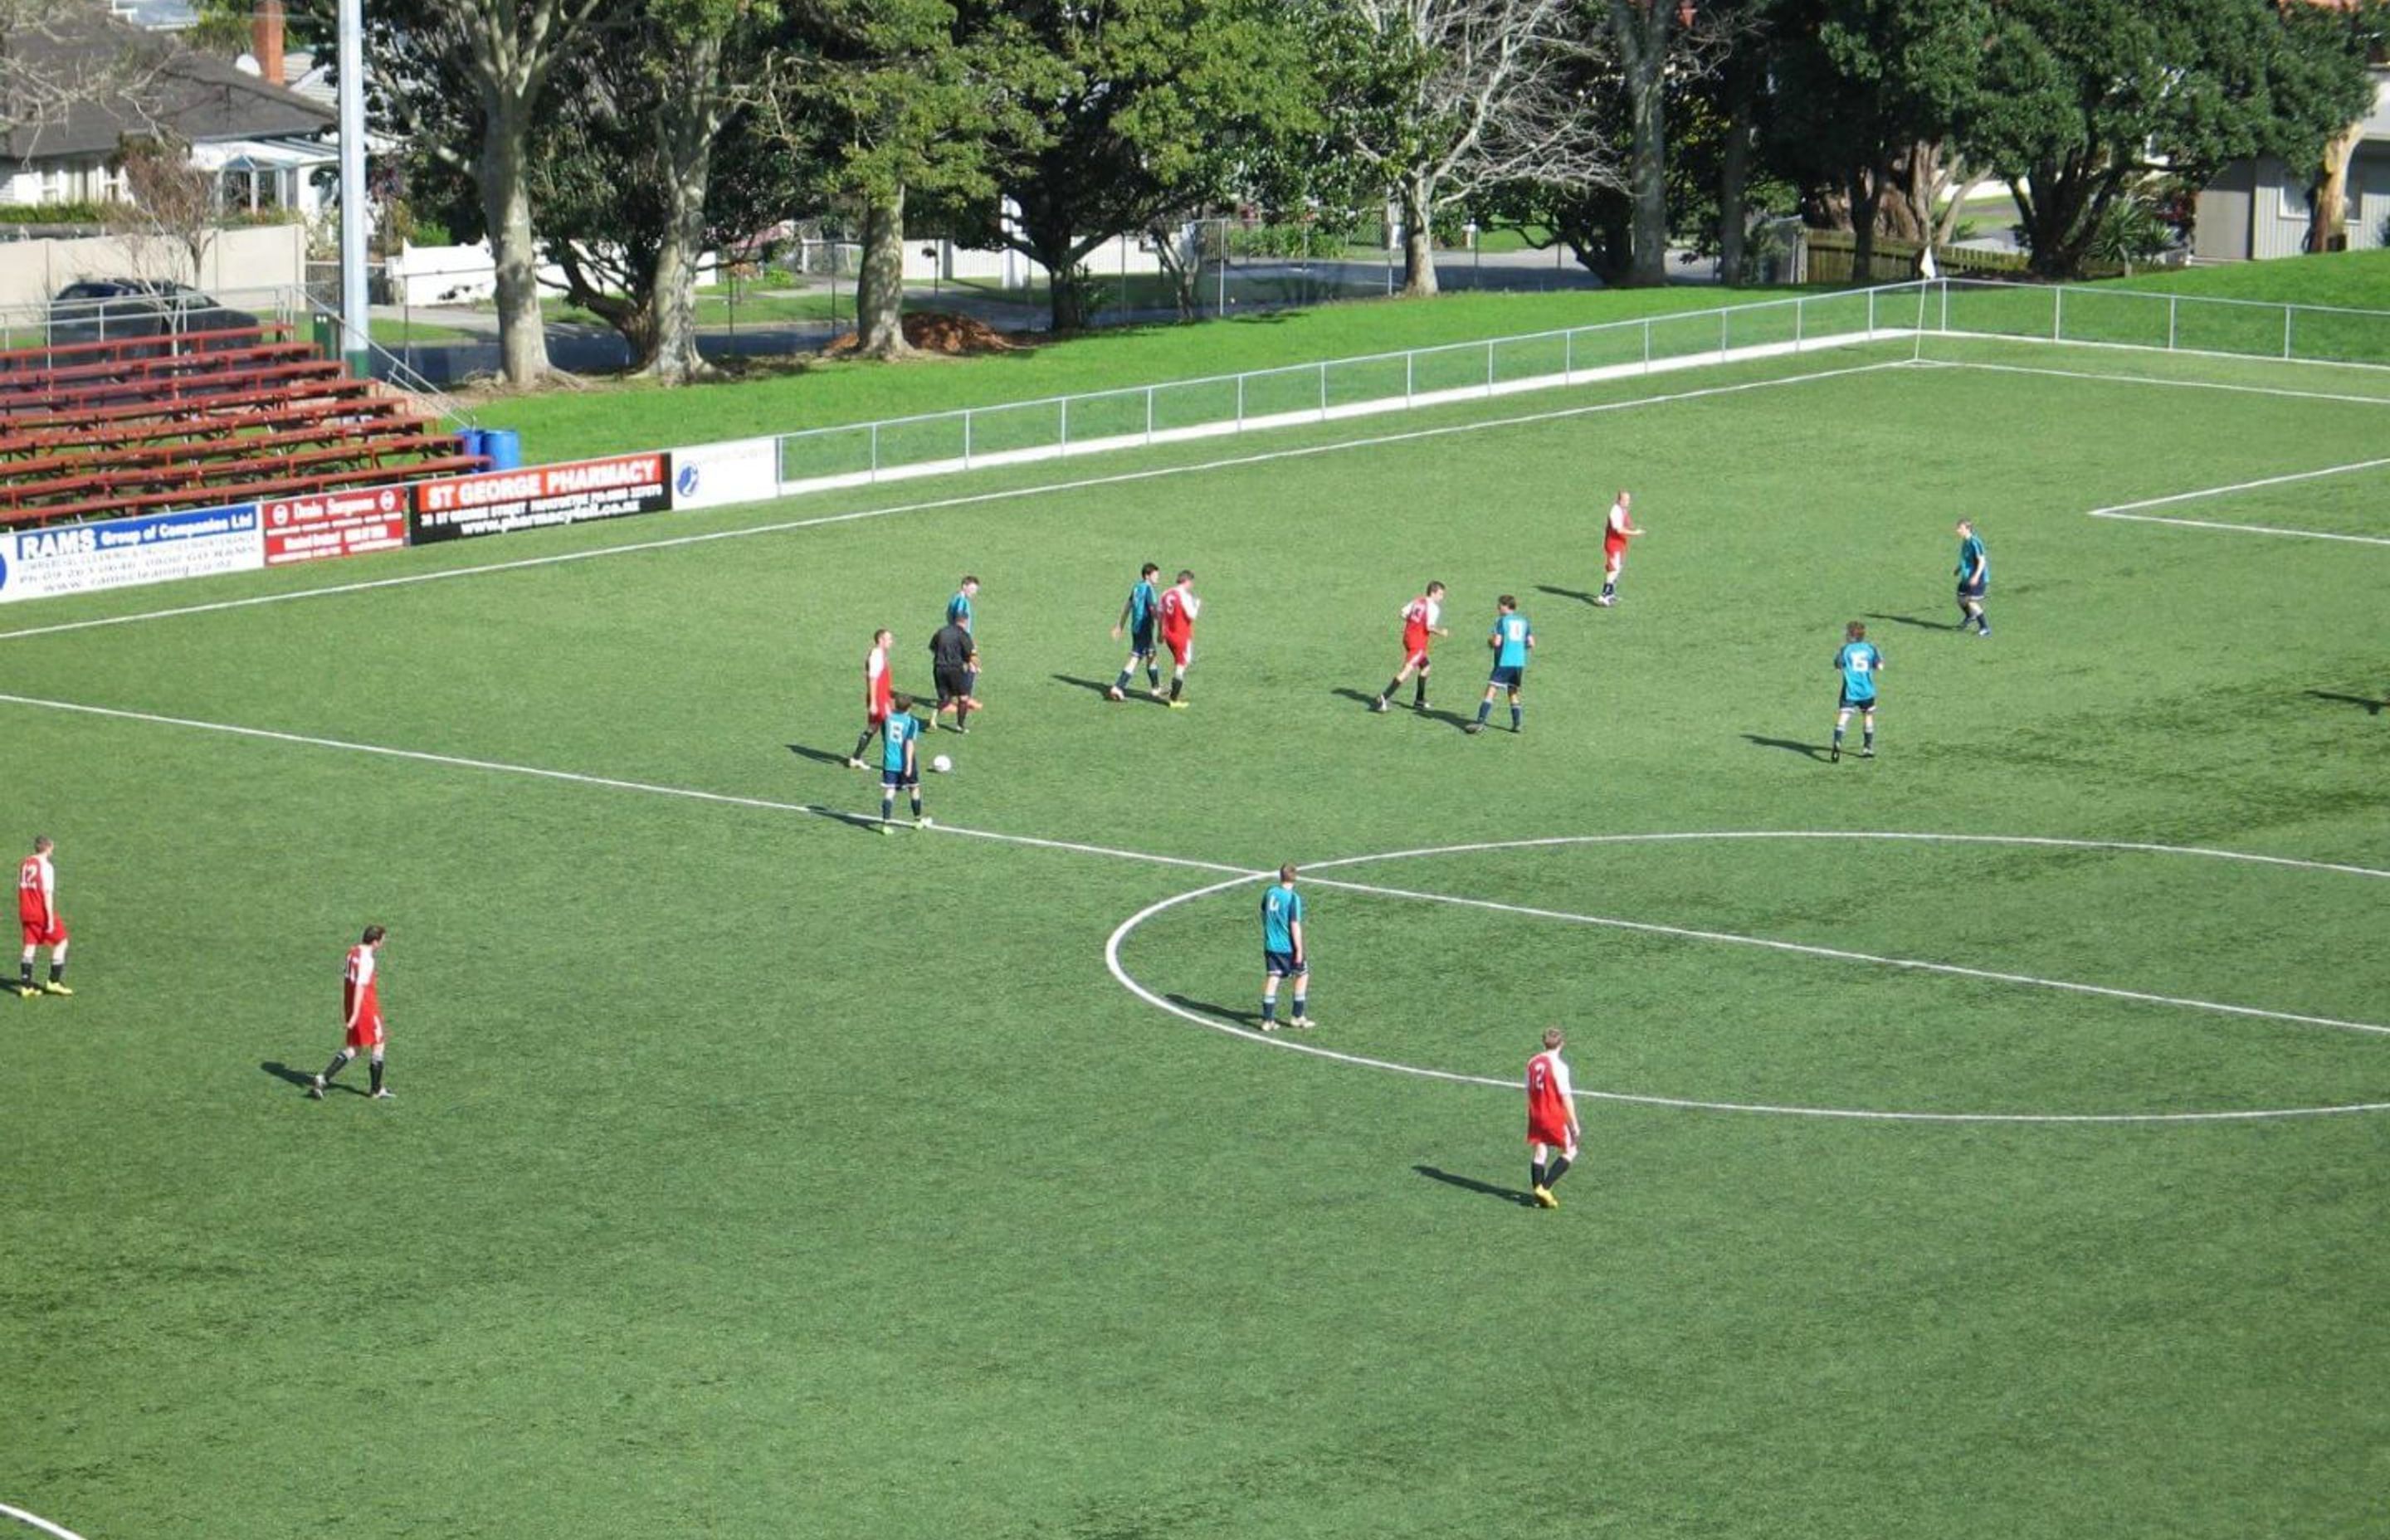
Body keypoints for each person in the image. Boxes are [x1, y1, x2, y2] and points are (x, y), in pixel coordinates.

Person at [310, 925, 391, 1099]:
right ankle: (376, 1090)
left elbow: (348, 976)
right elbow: (360, 986)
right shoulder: (368, 960)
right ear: (375, 941)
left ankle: (323, 1078)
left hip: (350, 1003)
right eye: (383, 940)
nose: (384, 943)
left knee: (355, 1048)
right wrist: (355, 1014)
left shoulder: (352, 952)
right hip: (365, 1007)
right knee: (379, 1043)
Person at [1525, 1027, 1581, 1209]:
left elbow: (1529, 1088)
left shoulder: (1532, 1062)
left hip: (1536, 1113)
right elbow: (1566, 1097)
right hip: (1552, 1114)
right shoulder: (1559, 1067)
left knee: (1540, 1152)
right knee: (1571, 1150)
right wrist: (1574, 1124)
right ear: (1561, 1044)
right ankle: (1545, 1188)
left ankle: (1537, 1198)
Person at [1373, 582, 1449, 713]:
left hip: (1408, 638)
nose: (1442, 597)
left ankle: (1419, 700)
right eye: (1441, 594)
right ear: (1433, 592)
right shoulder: (1433, 608)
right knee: (1407, 671)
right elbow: (1429, 627)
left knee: (1426, 667)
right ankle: (1384, 697)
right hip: (1418, 643)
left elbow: (1403, 614)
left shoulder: (1418, 601)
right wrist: (1442, 632)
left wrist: (1413, 624)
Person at [1465, 596, 1533, 735]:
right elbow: (1531, 643)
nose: (1497, 608)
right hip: (1519, 662)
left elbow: (1497, 642)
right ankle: (1517, 724)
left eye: (1499, 606)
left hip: (1505, 660)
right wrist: (1518, 647)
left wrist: (1490, 641)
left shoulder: (1501, 621)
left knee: (1491, 689)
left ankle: (1480, 722)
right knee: (1512, 692)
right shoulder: (1524, 621)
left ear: (1505, 606)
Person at [17, 835, 71, 998]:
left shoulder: (25, 863)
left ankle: (26, 986)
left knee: (30, 945)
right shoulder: (46, 867)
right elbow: (47, 894)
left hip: (26, 910)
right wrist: (50, 919)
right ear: (47, 848)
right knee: (62, 941)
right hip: (40, 911)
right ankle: (53, 982)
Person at [1259, 864, 1311, 1031]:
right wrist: (1300, 951)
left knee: (1273, 978)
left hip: (1270, 945)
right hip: (1287, 947)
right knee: (1302, 975)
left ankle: (1268, 1021)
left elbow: (1263, 914)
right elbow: (1295, 925)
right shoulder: (1293, 898)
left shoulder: (1270, 892)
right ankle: (1297, 1016)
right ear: (1295, 877)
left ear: (1280, 876)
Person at [1107, 563, 1163, 701]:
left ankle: (1156, 688)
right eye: (1155, 575)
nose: (1158, 577)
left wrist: (1119, 625)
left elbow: (1128, 606)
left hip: (1136, 628)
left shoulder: (1137, 587)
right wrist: (1162, 625)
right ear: (1147, 576)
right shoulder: (1149, 590)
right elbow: (1153, 609)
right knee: (1135, 659)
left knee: (1152, 655)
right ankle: (1118, 687)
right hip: (1144, 628)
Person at [1831, 620, 1882, 763]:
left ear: (1850, 635)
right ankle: (1868, 748)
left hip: (1850, 691)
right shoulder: (1871, 648)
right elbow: (1880, 667)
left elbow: (1838, 666)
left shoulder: (1844, 650)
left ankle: (1837, 742)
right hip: (1867, 690)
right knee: (1868, 715)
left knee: (1844, 716)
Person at [877, 693, 928, 831]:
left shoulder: (887, 718)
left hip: (889, 761)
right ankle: (918, 821)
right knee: (914, 788)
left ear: (895, 704)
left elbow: (883, 736)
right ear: (910, 707)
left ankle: (886, 824)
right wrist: (909, 766)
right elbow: (910, 744)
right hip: (906, 761)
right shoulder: (912, 722)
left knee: (890, 791)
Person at [847, 628, 894, 769]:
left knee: (874, 728)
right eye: (889, 639)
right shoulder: (876, 655)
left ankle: (856, 758)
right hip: (879, 698)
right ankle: (890, 762)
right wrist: (874, 702)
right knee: (887, 727)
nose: (892, 642)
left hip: (882, 696)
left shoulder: (880, 654)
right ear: (881, 640)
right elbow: (872, 679)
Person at [1157, 569, 1200, 709]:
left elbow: (1159, 613)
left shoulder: (1166, 593)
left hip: (1169, 635)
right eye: (1191, 583)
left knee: (1182, 661)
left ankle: (1172, 688)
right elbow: (1192, 615)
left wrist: (1160, 632)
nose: (1192, 586)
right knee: (1182, 665)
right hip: (1182, 636)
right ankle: (1174, 699)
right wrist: (1197, 605)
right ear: (1187, 581)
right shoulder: (1184, 596)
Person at [929, 617, 979, 733]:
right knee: (963, 698)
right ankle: (960, 726)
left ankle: (935, 715)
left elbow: (932, 648)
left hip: (939, 668)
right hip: (955, 669)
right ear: (965, 622)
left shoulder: (941, 631)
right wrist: (976, 666)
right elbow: (971, 655)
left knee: (946, 697)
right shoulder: (963, 634)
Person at [1596, 489, 1644, 607]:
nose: (1627, 502)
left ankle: (1611, 594)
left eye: (1628, 500)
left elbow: (1627, 523)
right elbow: (1619, 529)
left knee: (1618, 568)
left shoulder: (1623, 510)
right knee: (1613, 569)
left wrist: (1632, 528)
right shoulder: (1615, 511)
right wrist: (1635, 533)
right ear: (1619, 500)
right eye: (1625, 500)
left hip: (1621, 544)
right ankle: (1604, 595)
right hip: (1613, 545)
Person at [943, 576, 982, 710]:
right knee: (971, 667)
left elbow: (949, 616)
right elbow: (961, 623)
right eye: (972, 589)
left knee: (960, 669)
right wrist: (968, 643)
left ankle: (953, 700)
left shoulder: (955, 598)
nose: (974, 593)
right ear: (964, 586)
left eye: (975, 590)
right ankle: (961, 700)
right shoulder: (962, 602)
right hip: (960, 641)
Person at [1953, 519, 1990, 636]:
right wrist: (1959, 568)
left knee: (1972, 603)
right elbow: (1966, 558)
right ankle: (1970, 616)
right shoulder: (1965, 541)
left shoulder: (1975, 542)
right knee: (1961, 599)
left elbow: (1982, 561)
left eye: (1960, 528)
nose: (1957, 530)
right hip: (1966, 577)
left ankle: (1985, 628)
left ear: (1967, 529)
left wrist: (1976, 576)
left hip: (1977, 578)